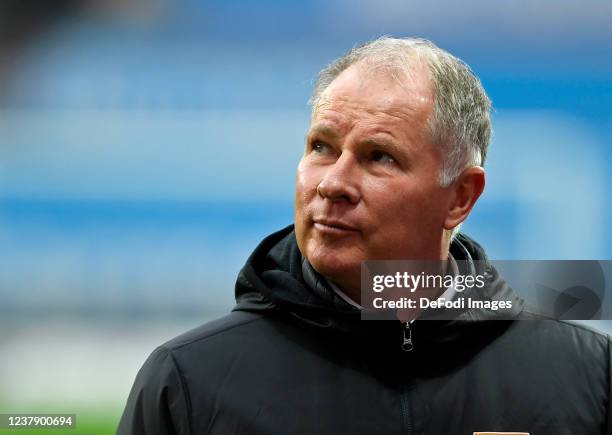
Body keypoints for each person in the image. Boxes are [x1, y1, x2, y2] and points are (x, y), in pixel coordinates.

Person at [117, 37, 611, 435]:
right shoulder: (188, 382)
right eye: (321, 147)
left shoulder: (586, 376)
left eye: (379, 157)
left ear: (460, 197)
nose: (332, 183)